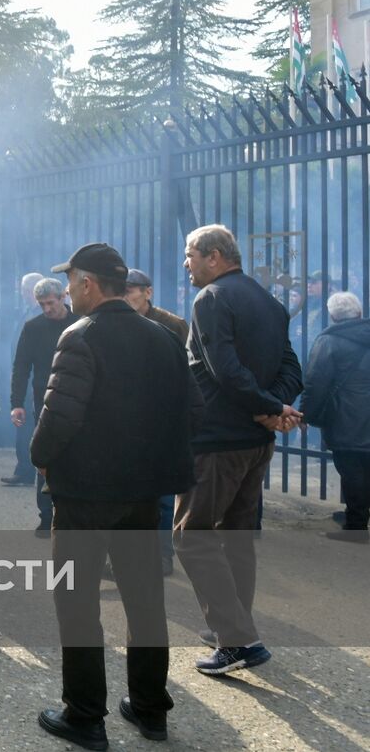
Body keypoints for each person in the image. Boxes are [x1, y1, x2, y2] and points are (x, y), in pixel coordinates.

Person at [31, 243, 198, 751]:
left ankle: (85, 715)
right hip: (142, 493)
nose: (66, 291)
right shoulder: (163, 337)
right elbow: (190, 410)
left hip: (86, 495)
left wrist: (41, 457)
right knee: (145, 599)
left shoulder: (79, 336)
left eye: (71, 282)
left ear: (87, 284)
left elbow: (60, 417)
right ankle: (149, 708)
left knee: (76, 601)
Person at [178, 224, 303, 677]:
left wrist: (269, 407)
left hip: (217, 441)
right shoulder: (267, 300)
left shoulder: (211, 298)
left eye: (190, 254)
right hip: (255, 442)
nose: (186, 264)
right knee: (236, 537)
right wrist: (274, 409)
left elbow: (223, 370)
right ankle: (234, 628)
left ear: (214, 256)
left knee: (190, 536)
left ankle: (237, 639)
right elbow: (292, 365)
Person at [124, 268, 188, 574]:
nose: (125, 296)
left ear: (147, 292)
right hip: (126, 421)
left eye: (130, 291)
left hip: (162, 419)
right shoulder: (117, 323)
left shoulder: (173, 325)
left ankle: (163, 554)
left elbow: (185, 375)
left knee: (162, 496)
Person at [8, 277, 76, 537]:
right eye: (42, 304)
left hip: (75, 401)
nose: (47, 309)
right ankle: (46, 516)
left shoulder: (79, 322)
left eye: (50, 303)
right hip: (43, 401)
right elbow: (21, 366)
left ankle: (70, 513)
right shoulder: (33, 327)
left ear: (63, 298)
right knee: (44, 457)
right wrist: (16, 403)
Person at [301, 291, 370, 543]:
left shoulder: (328, 341)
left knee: (351, 469)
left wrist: (305, 414)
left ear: (331, 316)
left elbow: (316, 382)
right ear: (359, 313)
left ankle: (356, 525)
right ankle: (358, 514)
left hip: (345, 416)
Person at [1, 272, 46, 487]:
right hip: (26, 378)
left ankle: (27, 470)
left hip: (31, 380)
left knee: (27, 424)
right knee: (25, 424)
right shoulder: (31, 311)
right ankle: (25, 469)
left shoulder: (38, 314)